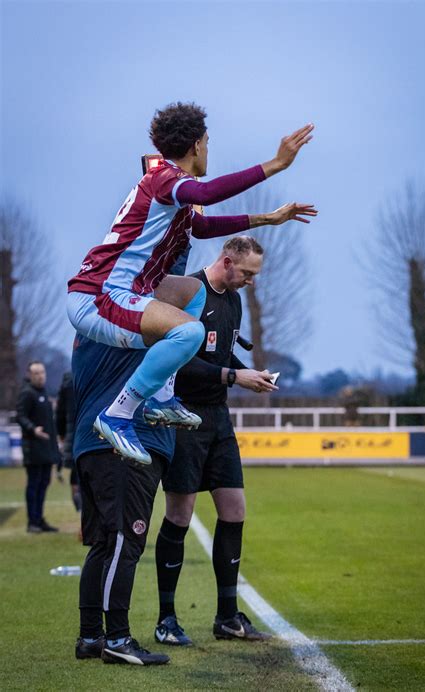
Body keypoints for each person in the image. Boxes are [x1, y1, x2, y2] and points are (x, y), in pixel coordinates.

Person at [67, 101, 317, 465]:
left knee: (195, 293)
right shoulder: (166, 179)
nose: (208, 149)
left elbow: (200, 227)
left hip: (115, 291)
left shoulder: (170, 190)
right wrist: (275, 164)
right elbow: (205, 194)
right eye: (208, 142)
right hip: (99, 296)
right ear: (197, 144)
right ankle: (117, 415)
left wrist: (268, 218)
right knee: (189, 333)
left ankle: (161, 396)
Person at [154, 237, 277, 646]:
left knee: (235, 510)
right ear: (227, 262)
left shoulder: (234, 300)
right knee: (179, 516)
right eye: (247, 273)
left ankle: (227, 616)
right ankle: (166, 619)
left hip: (218, 418)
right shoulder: (189, 293)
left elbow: (220, 356)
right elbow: (178, 362)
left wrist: (248, 373)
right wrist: (231, 377)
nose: (251, 281)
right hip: (182, 416)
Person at [72, 333, 174, 666]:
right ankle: (117, 638)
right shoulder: (134, 313)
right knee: (124, 540)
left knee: (103, 543)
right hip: (126, 441)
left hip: (90, 440)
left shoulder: (90, 324)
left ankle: (91, 637)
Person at [16, 361, 61, 533]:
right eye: (36, 373)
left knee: (43, 483)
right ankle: (32, 522)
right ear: (29, 375)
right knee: (34, 484)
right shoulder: (27, 393)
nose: (40, 376)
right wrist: (33, 429)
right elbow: (20, 416)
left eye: (42, 372)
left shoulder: (44, 393)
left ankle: (39, 519)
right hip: (33, 448)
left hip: (46, 448)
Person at [56, 371, 82, 514]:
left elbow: (59, 412)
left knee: (75, 472)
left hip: (72, 434)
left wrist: (61, 433)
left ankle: (80, 510)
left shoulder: (68, 379)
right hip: (93, 432)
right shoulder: (97, 369)